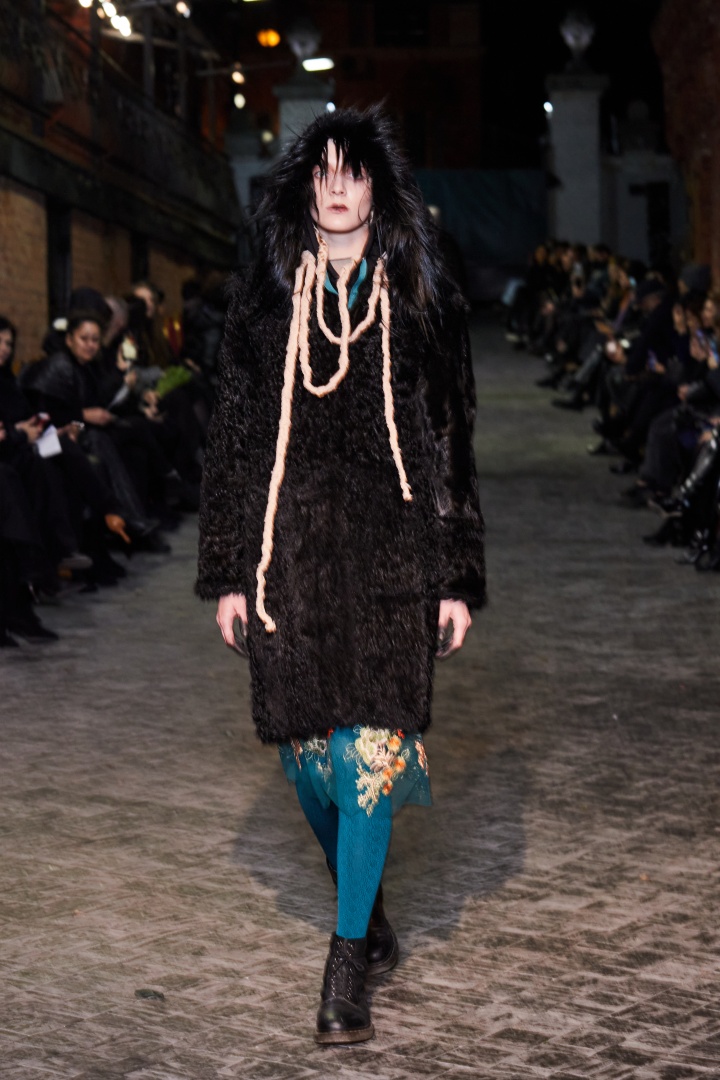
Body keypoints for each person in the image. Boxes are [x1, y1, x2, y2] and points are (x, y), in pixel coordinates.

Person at [195, 106, 486, 1045]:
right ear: (302, 187)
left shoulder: (423, 295)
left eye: (352, 171)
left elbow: (449, 439)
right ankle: (369, 906)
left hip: (393, 555)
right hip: (288, 558)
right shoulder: (266, 297)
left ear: (377, 187)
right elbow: (234, 440)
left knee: (368, 753)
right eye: (321, 171)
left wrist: (455, 574)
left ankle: (348, 955)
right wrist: (229, 570)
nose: (336, 187)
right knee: (309, 759)